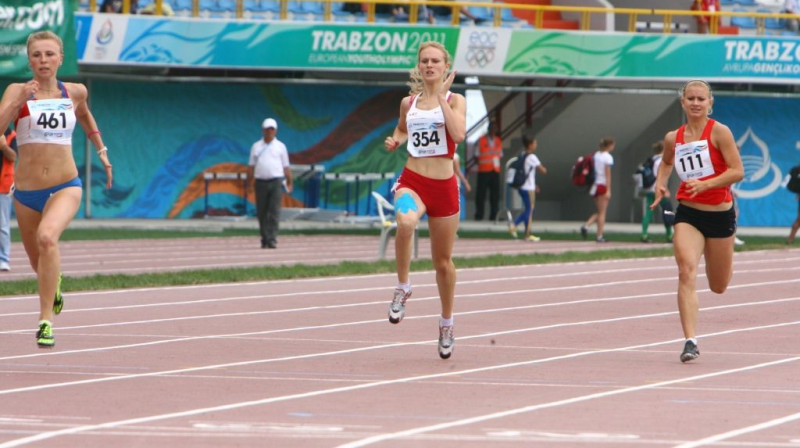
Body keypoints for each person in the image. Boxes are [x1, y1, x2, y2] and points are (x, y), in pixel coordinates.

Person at [0, 31, 113, 348]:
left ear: (60, 58)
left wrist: (102, 151)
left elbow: (85, 115)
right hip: (25, 192)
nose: (43, 60)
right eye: (36, 55)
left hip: (65, 184)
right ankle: (55, 285)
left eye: (49, 54)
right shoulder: (16, 90)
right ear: (29, 60)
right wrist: (19, 102)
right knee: (40, 265)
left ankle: (45, 321)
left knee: (47, 237)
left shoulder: (74, 91)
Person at [383, 41, 466, 359]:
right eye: (424, 61)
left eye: (435, 61)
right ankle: (403, 286)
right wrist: (396, 140)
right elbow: (403, 129)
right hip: (413, 181)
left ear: (445, 66)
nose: (429, 65)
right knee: (404, 221)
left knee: (442, 264)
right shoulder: (409, 102)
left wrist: (442, 97)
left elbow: (457, 135)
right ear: (419, 67)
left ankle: (446, 322)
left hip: (443, 187)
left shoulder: (455, 100)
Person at [651, 79, 744, 363]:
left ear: (710, 103)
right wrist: (661, 183)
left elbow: (737, 171)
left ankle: (723, 255)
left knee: (718, 285)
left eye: (700, 99)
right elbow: (667, 162)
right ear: (682, 102)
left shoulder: (720, 132)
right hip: (688, 213)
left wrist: (707, 184)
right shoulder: (673, 137)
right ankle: (690, 340)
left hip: (719, 214)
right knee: (686, 270)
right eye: (690, 98)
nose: (695, 103)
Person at [247, 118, 293, 249]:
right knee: (262, 212)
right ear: (263, 130)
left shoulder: (281, 147)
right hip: (260, 182)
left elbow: (286, 166)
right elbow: (251, 167)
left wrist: (289, 181)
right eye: (267, 129)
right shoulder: (256, 146)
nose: (269, 131)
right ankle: (264, 238)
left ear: (276, 130)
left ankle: (272, 239)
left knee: (274, 211)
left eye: (272, 129)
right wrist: (248, 184)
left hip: (276, 181)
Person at [508, 134, 547, 242]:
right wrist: (544, 168)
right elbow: (542, 170)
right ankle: (514, 225)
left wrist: (534, 185)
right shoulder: (532, 157)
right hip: (528, 188)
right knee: (529, 210)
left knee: (529, 210)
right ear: (530, 145)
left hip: (524, 186)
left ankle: (527, 234)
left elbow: (527, 173)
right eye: (534, 143)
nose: (536, 145)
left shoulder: (523, 155)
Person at [580, 137, 615, 243]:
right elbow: (607, 174)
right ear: (609, 146)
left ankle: (586, 226)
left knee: (600, 211)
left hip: (595, 185)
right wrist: (608, 189)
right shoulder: (607, 157)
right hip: (602, 185)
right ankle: (599, 235)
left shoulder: (596, 155)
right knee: (602, 213)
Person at [640, 140, 674, 243]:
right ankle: (669, 235)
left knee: (649, 212)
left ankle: (644, 234)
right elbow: (660, 175)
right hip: (659, 189)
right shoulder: (661, 161)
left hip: (650, 189)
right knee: (667, 210)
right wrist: (665, 189)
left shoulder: (652, 159)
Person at [474, 120, 502, 221]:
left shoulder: (498, 140)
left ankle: (494, 215)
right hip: (484, 171)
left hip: (495, 171)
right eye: (492, 127)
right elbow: (476, 155)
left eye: (495, 128)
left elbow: (500, 155)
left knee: (495, 195)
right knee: (481, 194)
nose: (493, 130)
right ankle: (479, 215)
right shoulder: (481, 140)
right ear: (488, 128)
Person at [0, 127, 17, 272]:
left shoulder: (11, 135)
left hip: (3, 186)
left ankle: (3, 258)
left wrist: (3, 146)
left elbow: (13, 157)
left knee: (2, 225)